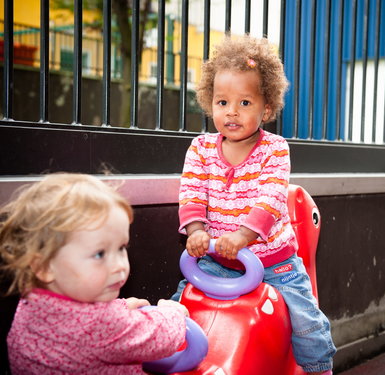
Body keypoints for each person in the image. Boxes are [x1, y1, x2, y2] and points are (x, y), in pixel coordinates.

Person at [172, 35, 336, 374]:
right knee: (177, 309)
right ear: (209, 103)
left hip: (275, 264)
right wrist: (197, 230)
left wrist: (244, 237)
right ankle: (169, 358)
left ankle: (320, 369)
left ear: (267, 108)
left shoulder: (274, 150)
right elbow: (191, 193)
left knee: (307, 324)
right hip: (216, 260)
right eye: (222, 102)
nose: (231, 111)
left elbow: (272, 198)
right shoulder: (200, 149)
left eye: (245, 103)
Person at [0, 173, 189, 374]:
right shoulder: (102, 325)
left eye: (121, 248)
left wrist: (122, 306)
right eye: (100, 254)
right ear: (44, 267)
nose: (120, 265)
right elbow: (161, 337)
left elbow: (76, 315)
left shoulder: (30, 302)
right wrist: (175, 314)